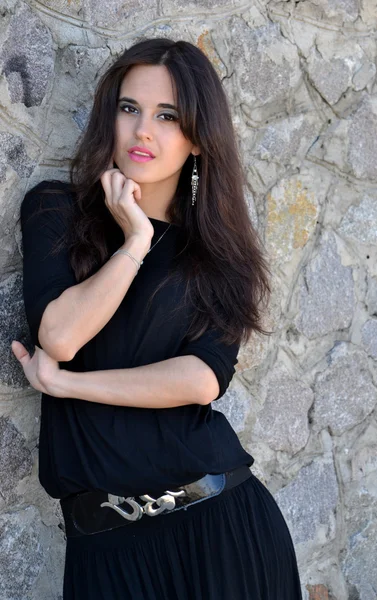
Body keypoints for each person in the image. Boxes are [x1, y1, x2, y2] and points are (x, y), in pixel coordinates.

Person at [12, 38, 302, 599]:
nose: (143, 130)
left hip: (220, 531)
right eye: (130, 109)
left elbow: (199, 379)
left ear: (196, 138)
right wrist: (136, 241)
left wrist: (68, 386)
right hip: (105, 554)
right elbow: (61, 335)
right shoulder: (55, 210)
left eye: (167, 116)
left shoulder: (219, 255)